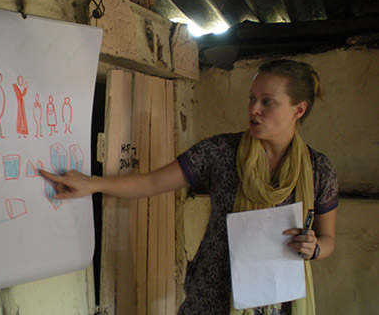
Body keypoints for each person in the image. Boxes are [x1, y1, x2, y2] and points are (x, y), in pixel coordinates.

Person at [40, 59, 338, 315]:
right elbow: (153, 181)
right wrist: (93, 184)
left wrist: (314, 249)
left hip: (277, 299)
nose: (254, 109)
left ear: (299, 110)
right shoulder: (221, 151)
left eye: (267, 102)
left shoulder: (318, 169)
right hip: (211, 295)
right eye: (251, 98)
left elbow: (327, 240)